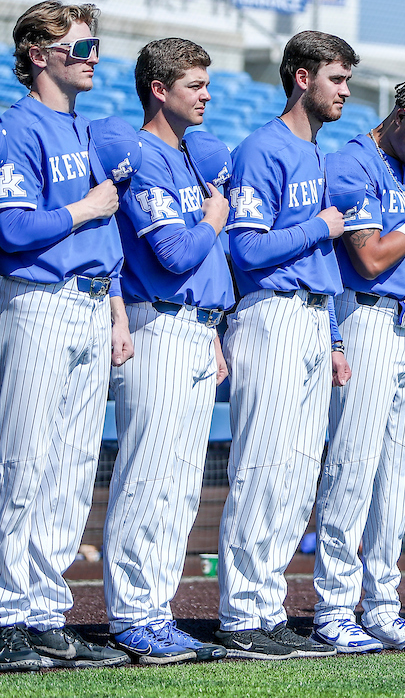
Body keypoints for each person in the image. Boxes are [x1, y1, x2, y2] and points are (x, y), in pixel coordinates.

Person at [215, 30, 357, 659]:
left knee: (299, 472)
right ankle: (241, 612)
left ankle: (267, 605)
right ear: (302, 78)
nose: (346, 91)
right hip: (269, 314)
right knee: (263, 466)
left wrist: (330, 336)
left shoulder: (319, 152)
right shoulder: (261, 149)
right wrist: (317, 227)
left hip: (310, 316)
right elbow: (245, 249)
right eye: (337, 79)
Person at [0, 0, 130, 670]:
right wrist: (85, 207)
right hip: (40, 301)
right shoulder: (17, 127)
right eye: (81, 48)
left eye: (95, 46)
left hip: (89, 303)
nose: (93, 59)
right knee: (21, 462)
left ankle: (43, 612)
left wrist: (112, 313)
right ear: (38, 52)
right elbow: (13, 229)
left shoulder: (85, 130)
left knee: (73, 470)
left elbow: (105, 236)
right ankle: (3, 614)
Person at [309, 76, 405, 653]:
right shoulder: (354, 163)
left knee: (399, 474)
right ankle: (333, 608)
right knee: (354, 465)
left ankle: (383, 605)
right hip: (366, 318)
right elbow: (370, 259)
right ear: (399, 116)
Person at [104, 37, 234, 664]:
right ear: (159, 90)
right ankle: (132, 615)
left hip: (192, 327)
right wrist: (214, 217)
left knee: (181, 484)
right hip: (153, 326)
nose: (207, 96)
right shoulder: (144, 155)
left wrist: (211, 330)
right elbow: (176, 253)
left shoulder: (187, 157)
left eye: (207, 85)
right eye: (195, 85)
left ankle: (156, 611)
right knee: (148, 475)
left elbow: (198, 265)